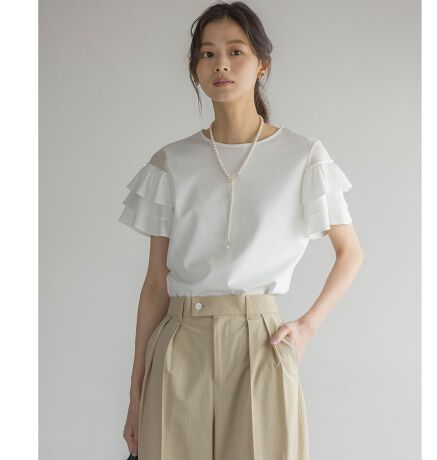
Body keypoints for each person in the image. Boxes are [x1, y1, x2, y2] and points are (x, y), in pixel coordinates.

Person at [119, 2, 364, 459]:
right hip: (179, 343)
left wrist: (308, 326)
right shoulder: (171, 162)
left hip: (261, 344)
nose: (222, 65)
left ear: (262, 64)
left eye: (236, 51)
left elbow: (350, 253)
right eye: (207, 54)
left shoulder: (303, 156)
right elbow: (155, 283)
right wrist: (135, 392)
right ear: (195, 68)